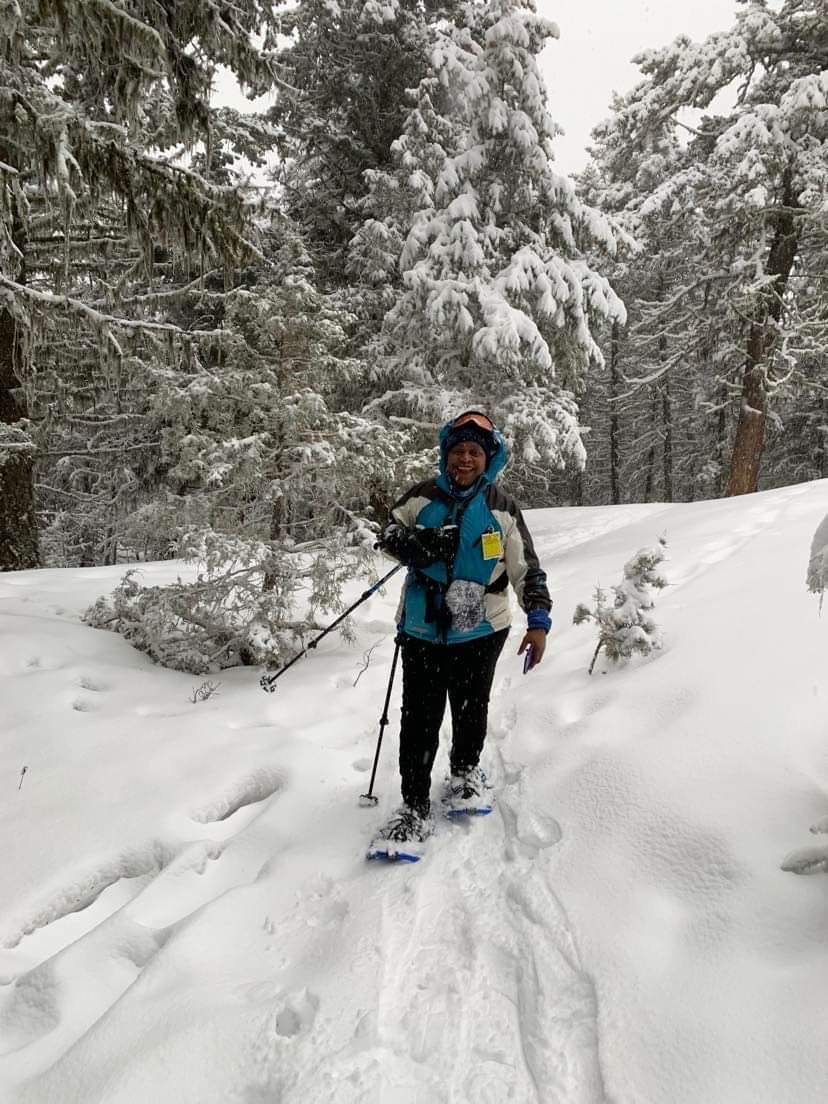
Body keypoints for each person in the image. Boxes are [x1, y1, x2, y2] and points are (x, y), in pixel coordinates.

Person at [374, 410, 552, 848]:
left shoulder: (501, 507)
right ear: (446, 454)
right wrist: (418, 544)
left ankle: (465, 773)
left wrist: (539, 621)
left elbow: (526, 569)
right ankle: (413, 806)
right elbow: (386, 534)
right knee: (419, 718)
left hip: (482, 629)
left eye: (474, 451)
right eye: (458, 450)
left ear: (488, 457)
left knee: (471, 709)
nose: (465, 459)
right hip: (421, 628)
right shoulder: (422, 496)